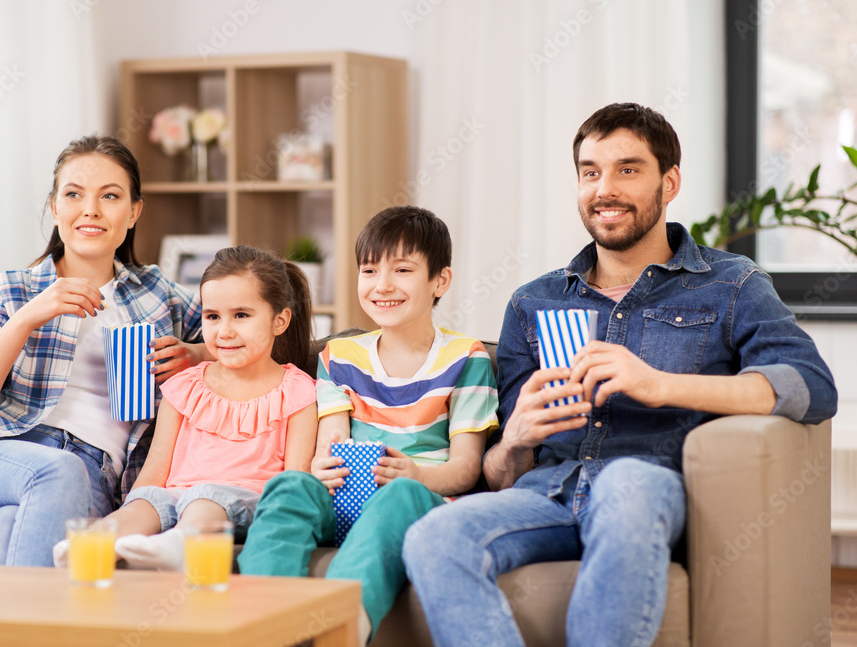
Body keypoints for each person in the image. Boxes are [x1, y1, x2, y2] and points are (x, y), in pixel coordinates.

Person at [402, 103, 838, 647]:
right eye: (590, 172)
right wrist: (515, 439)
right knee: (433, 536)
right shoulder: (531, 302)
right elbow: (500, 474)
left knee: (627, 486)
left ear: (669, 181)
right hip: (549, 493)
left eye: (627, 169)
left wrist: (659, 384)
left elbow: (812, 386)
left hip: (647, 482)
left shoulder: (730, 284)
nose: (604, 188)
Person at [0, 135, 210, 572]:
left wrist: (197, 354)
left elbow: (253, 336)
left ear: (133, 212)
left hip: (93, 474)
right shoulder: (10, 291)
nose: (90, 209)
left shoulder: (158, 294)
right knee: (58, 470)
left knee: (4, 526)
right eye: (74, 194)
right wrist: (25, 320)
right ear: (55, 207)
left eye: (109, 196)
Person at [237, 206, 500, 645]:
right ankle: (261, 625)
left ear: (441, 280)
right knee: (289, 487)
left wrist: (417, 474)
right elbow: (333, 438)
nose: (382, 285)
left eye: (402, 269)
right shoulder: (338, 357)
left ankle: (340, 630)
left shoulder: (467, 358)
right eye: (369, 270)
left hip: (416, 501)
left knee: (399, 493)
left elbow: (466, 468)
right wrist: (320, 467)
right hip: (345, 497)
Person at [53, 245, 318, 570]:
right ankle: (93, 547)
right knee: (146, 503)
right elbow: (153, 473)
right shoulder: (184, 386)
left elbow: (294, 482)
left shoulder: (298, 390)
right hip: (177, 496)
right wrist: (134, 506)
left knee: (205, 499)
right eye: (213, 317)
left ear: (280, 321)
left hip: (248, 500)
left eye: (242, 315)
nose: (225, 331)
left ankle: (181, 545)